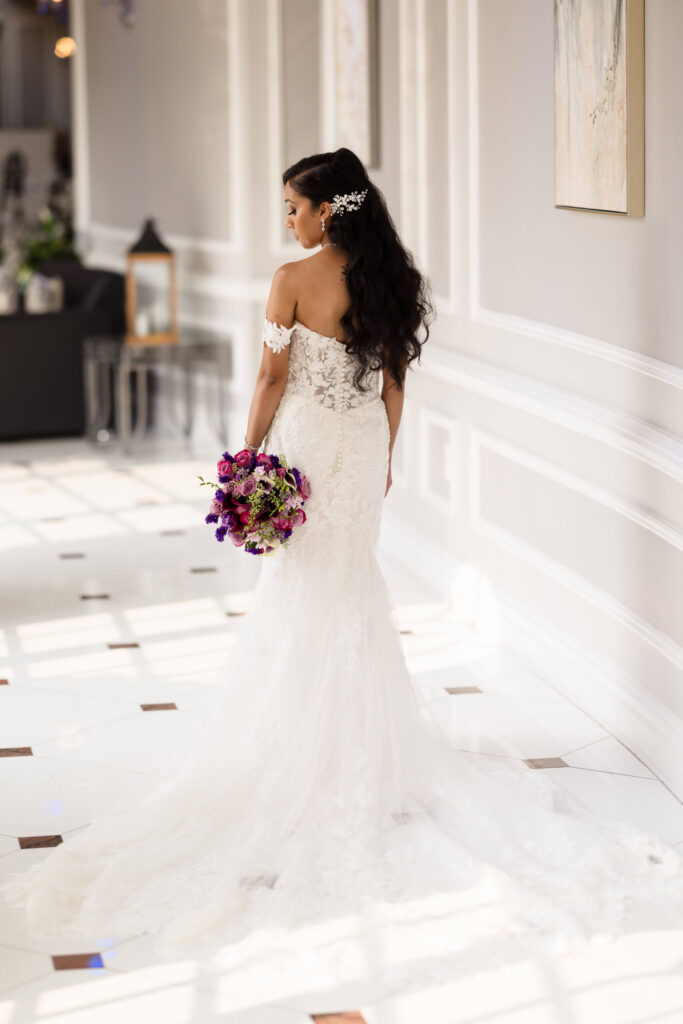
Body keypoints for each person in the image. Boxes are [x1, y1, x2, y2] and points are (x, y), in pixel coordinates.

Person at [2, 147, 683, 991]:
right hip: (358, 451)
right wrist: (385, 456)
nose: (285, 220)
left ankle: (306, 761)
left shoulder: (292, 277)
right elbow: (393, 385)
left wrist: (245, 457)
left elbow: (269, 374)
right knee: (351, 591)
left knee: (304, 593)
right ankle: (361, 760)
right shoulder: (392, 279)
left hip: (304, 452)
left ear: (328, 208)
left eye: (293, 206)